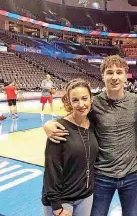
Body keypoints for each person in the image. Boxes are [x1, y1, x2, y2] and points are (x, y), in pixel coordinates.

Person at [43, 55, 137, 216]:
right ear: (102, 76)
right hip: (101, 177)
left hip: (132, 176)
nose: (114, 77)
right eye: (109, 72)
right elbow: (74, 117)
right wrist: (48, 124)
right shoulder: (93, 103)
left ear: (126, 75)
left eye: (119, 72)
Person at [42, 79, 99, 216]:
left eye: (85, 98)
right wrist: (56, 206)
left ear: (91, 99)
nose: (81, 104)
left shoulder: (93, 125)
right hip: (62, 201)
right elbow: (51, 169)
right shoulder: (59, 128)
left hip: (85, 197)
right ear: (69, 102)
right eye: (75, 100)